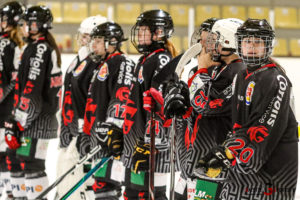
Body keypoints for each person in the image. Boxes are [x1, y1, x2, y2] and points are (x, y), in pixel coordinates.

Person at [194, 19, 298, 200]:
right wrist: (225, 150)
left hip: (271, 178)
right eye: (247, 41)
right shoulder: (242, 76)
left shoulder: (275, 79)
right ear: (239, 43)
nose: (251, 46)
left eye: (258, 42)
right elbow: (240, 126)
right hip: (244, 177)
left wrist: (228, 153)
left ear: (267, 45)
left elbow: (263, 129)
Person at [163, 18, 245, 199]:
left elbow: (207, 105)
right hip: (193, 162)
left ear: (227, 41)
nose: (205, 45)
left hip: (213, 165)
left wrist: (201, 69)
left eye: (211, 39)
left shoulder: (238, 72)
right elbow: (197, 111)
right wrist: (181, 106)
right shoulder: (217, 69)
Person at [108, 9, 178, 199]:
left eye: (143, 30)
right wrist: (120, 130)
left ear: (159, 32)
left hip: (152, 150)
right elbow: (134, 103)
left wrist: (150, 144)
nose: (138, 34)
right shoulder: (145, 60)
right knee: (132, 193)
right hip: (136, 145)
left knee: (149, 195)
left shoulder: (161, 60)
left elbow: (161, 108)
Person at [3, 5, 62, 200]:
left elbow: (32, 91)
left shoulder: (41, 49)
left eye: (30, 23)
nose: (25, 27)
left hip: (38, 120)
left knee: (31, 163)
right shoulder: (33, 47)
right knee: (15, 159)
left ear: (40, 25)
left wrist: (18, 121)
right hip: (31, 119)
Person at [81, 21, 134, 200]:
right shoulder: (103, 64)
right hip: (100, 139)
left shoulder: (122, 61)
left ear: (111, 42)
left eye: (97, 40)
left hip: (112, 139)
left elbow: (122, 96)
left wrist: (113, 127)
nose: (93, 45)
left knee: (107, 186)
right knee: (100, 185)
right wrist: (87, 133)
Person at [57, 15, 107, 200]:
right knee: (65, 177)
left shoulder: (99, 64)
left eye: (89, 36)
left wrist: (83, 128)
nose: (84, 41)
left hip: (84, 131)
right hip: (69, 127)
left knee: (84, 181)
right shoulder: (78, 60)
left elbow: (93, 101)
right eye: (83, 36)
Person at [0, 1, 24, 199]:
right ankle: (8, 191)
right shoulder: (14, 43)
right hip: (10, 108)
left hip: (6, 109)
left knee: (4, 154)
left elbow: (12, 79)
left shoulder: (10, 44)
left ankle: (9, 192)